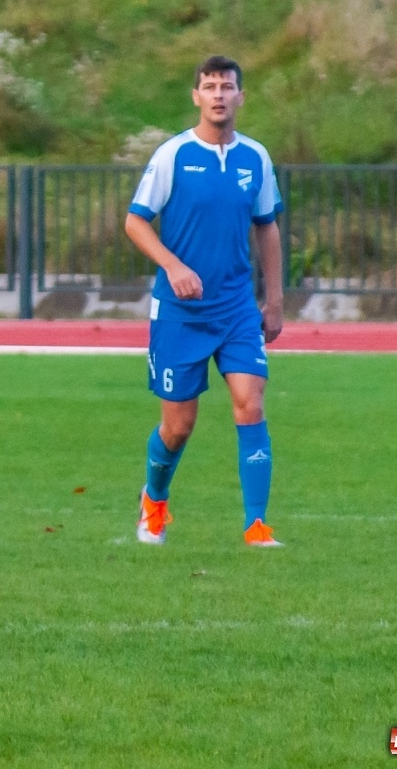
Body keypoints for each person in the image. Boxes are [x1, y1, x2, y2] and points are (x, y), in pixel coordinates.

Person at [124, 55, 285, 549]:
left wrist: (275, 299)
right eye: (210, 86)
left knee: (249, 403)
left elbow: (268, 227)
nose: (219, 95)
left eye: (227, 87)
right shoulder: (172, 155)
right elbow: (134, 222)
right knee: (178, 425)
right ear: (196, 96)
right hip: (180, 315)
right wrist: (173, 267)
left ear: (240, 97)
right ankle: (154, 500)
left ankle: (256, 526)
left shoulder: (255, 158)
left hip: (236, 309)